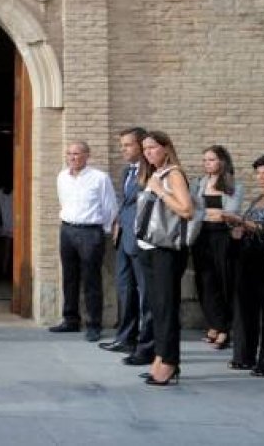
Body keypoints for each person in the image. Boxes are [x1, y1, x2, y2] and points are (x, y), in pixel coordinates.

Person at [220, 153, 264, 376]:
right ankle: (244, 356)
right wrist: (238, 230)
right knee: (244, 308)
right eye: (258, 173)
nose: (261, 177)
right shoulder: (258, 198)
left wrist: (243, 222)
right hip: (248, 258)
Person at [135, 131, 196, 386]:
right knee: (157, 308)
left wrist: (160, 191)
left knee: (166, 307)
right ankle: (161, 357)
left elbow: (186, 210)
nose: (148, 152)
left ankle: (169, 362)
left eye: (152, 148)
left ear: (165, 148)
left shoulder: (173, 174)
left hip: (167, 250)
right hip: (149, 247)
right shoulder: (154, 174)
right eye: (145, 148)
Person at [50, 141, 117, 342]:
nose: (72, 157)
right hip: (68, 230)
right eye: (69, 153)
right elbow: (63, 201)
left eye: (77, 154)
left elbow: (109, 207)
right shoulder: (62, 176)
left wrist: (101, 232)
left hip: (91, 233)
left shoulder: (99, 178)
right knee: (69, 277)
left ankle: (94, 324)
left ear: (87, 155)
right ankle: (70, 320)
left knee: (91, 280)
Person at [101, 128, 155, 366]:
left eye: (128, 145)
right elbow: (126, 202)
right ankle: (125, 337)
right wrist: (116, 224)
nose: (123, 150)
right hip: (123, 237)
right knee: (125, 289)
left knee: (146, 294)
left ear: (142, 146)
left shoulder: (151, 171)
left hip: (142, 239)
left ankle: (147, 344)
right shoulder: (127, 171)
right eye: (122, 145)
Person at [190, 145, 244, 351]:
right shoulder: (199, 183)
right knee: (204, 282)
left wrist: (212, 213)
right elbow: (193, 210)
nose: (207, 164)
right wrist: (212, 212)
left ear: (222, 161)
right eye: (205, 160)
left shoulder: (234, 185)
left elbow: (230, 212)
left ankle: (224, 329)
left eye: (211, 159)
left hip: (223, 237)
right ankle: (214, 324)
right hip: (201, 236)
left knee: (223, 281)